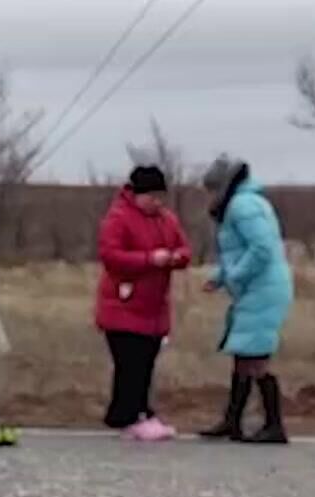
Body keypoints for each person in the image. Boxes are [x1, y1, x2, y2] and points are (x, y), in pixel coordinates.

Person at [196, 158, 294, 444]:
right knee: (243, 352)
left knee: (256, 356)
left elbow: (261, 249)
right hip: (258, 286)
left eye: (211, 190)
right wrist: (221, 277)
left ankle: (274, 425)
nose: (209, 197)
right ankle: (233, 420)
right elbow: (239, 253)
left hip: (262, 288)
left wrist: (235, 276)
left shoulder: (242, 206)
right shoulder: (246, 204)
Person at [95, 165, 193, 440]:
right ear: (137, 194)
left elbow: (185, 249)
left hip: (154, 307)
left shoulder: (167, 220)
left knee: (146, 362)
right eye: (151, 196)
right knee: (131, 363)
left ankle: (128, 412)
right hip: (124, 304)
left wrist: (175, 257)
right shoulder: (118, 218)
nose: (157, 202)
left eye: (160, 197)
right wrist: (149, 259)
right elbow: (111, 256)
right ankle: (132, 414)